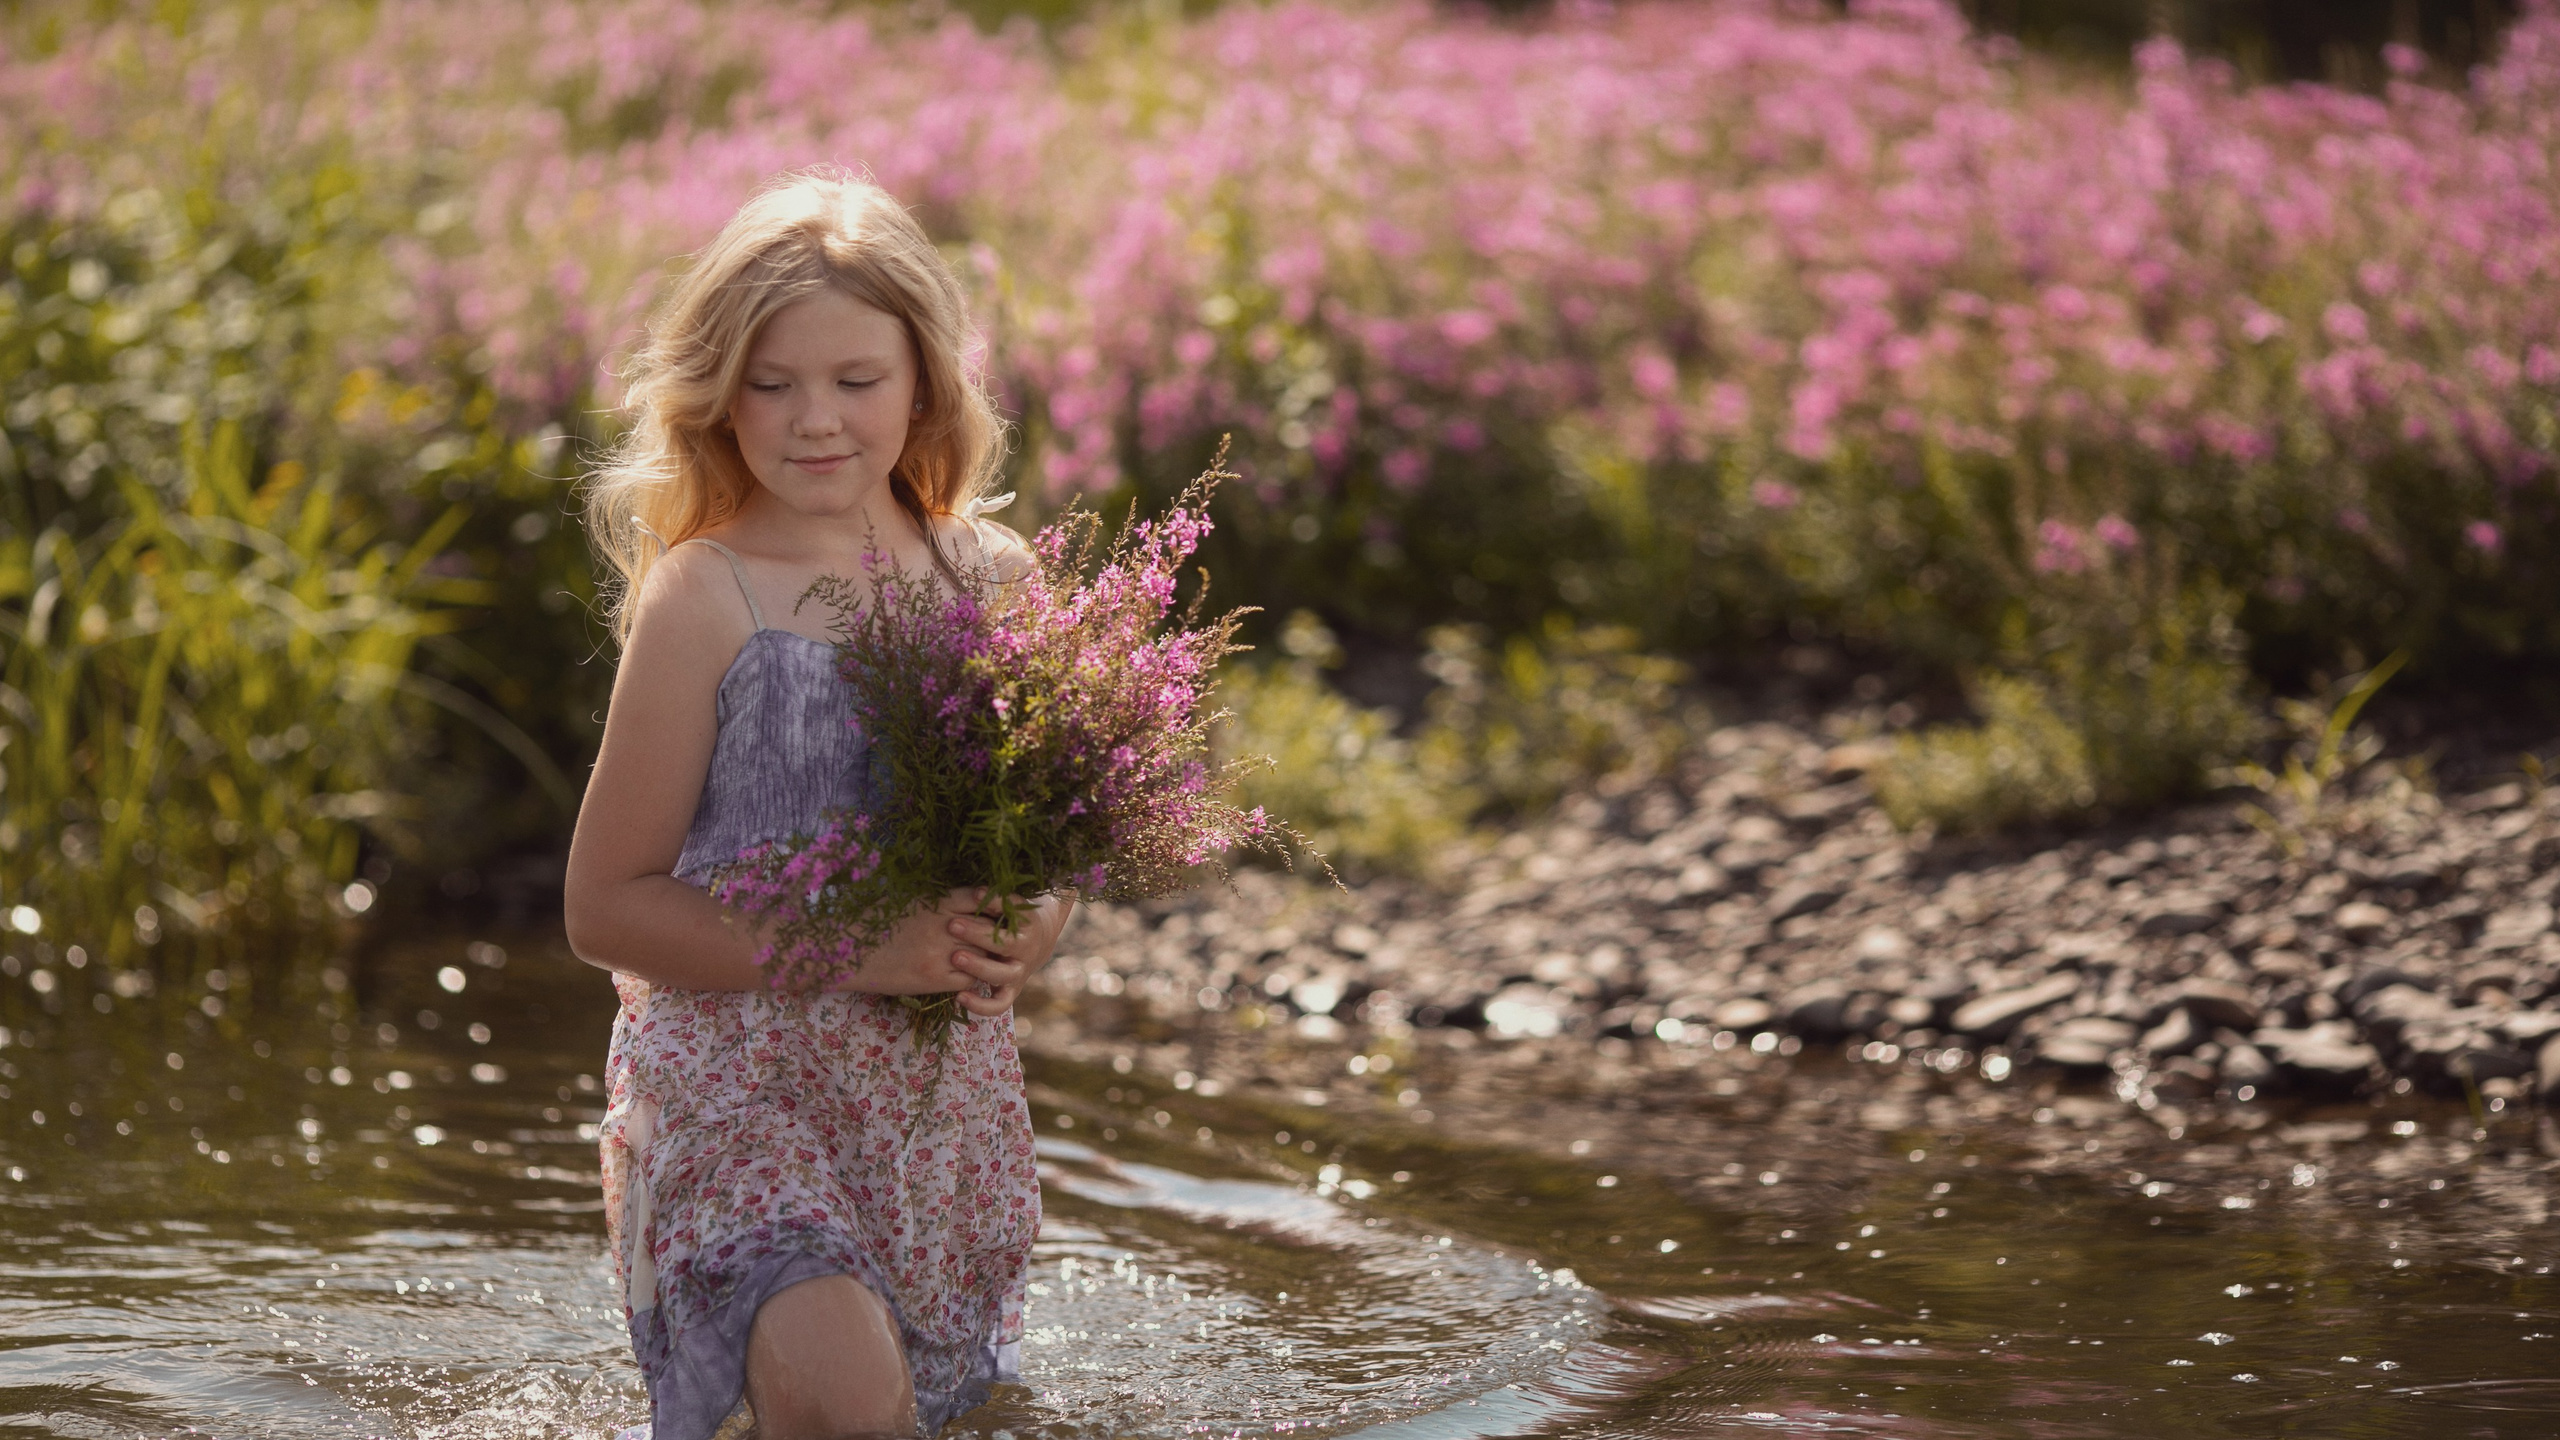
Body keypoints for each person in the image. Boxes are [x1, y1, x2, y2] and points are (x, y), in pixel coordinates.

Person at [564, 168, 1071, 1440]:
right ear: (719, 396)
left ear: (925, 385)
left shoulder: (991, 582)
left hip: (930, 1107)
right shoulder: (706, 596)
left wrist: (1030, 927)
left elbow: (1043, 855)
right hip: (733, 1096)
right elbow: (601, 907)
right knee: (848, 1407)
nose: (816, 421)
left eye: (858, 381)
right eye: (774, 384)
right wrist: (861, 949)